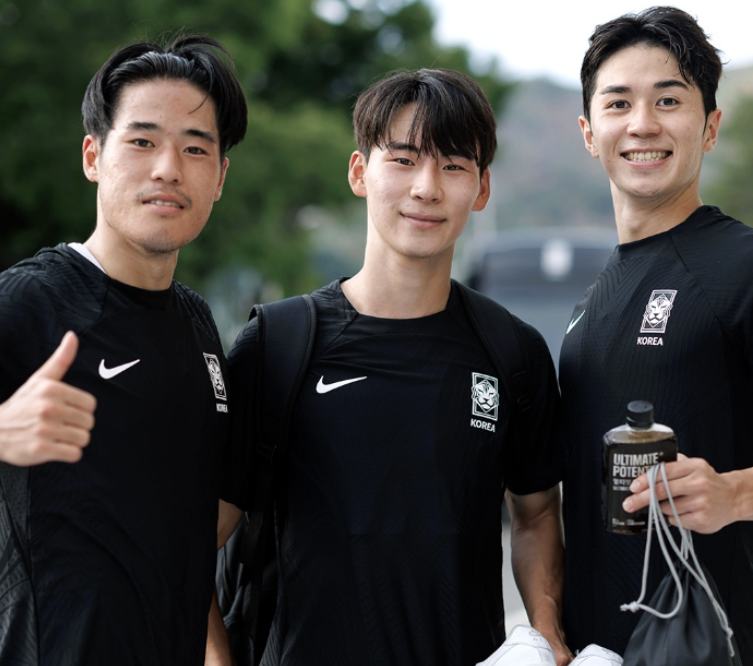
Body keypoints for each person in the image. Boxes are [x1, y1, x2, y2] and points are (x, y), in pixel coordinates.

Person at [207, 68, 572, 666]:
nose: (426, 187)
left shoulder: (514, 352)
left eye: (454, 166)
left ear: (481, 189)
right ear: (360, 173)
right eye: (403, 160)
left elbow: (535, 514)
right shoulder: (278, 345)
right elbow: (194, 541)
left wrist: (547, 630)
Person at [0, 34, 247, 664]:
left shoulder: (195, 323)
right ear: (93, 155)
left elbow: (182, 524)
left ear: (219, 178)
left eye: (195, 149)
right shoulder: (28, 302)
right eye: (142, 141)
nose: (168, 168)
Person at [560, 5, 753, 660]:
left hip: (714, 639)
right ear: (589, 132)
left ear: (709, 126)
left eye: (667, 99)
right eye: (618, 104)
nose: (642, 124)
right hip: (601, 648)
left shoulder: (740, 267)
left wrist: (736, 492)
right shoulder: (591, 301)